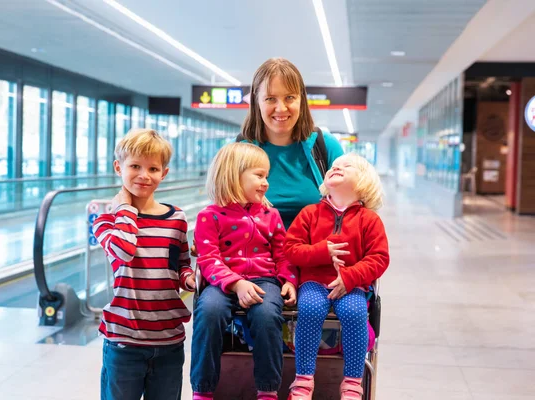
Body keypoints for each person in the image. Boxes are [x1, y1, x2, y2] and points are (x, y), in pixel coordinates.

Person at [92, 129, 195, 400]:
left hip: (169, 340)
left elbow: (181, 264)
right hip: (124, 341)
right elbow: (123, 251)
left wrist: (189, 278)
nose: (144, 175)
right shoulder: (105, 221)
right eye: (135, 166)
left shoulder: (177, 218)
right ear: (119, 167)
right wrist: (125, 208)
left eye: (153, 168)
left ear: (164, 173)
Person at [190, 142, 298, 400]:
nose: (266, 183)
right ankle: (202, 390)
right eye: (259, 176)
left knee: (267, 316)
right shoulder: (209, 216)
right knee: (209, 312)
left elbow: (282, 254)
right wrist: (236, 283)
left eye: (266, 176)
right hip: (222, 281)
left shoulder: (271, 215)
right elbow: (208, 258)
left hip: (264, 279)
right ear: (233, 175)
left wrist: (288, 280)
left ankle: (268, 389)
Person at [283, 153, 390, 400]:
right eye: (333, 166)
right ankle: (303, 380)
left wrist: (351, 277)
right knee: (309, 310)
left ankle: (352, 382)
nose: (336, 167)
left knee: (355, 314)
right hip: (312, 283)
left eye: (346, 166)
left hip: (352, 286)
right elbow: (291, 249)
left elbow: (379, 258)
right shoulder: (309, 213)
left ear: (364, 180)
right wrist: (322, 250)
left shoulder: (369, 220)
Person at [239, 57, 345, 229]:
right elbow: (221, 211)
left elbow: (353, 209)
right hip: (256, 255)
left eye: (289, 97)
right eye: (270, 99)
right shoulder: (239, 151)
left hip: (315, 254)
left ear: (301, 100)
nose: (281, 108)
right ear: (256, 101)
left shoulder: (325, 147)